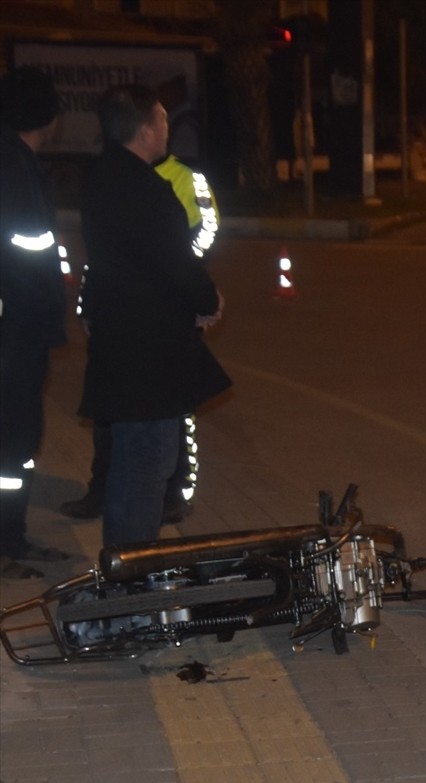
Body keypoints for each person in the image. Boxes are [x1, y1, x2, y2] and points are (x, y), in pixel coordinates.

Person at [78, 84, 230, 548]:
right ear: (145, 130)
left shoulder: (101, 177)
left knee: (133, 461)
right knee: (147, 464)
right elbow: (174, 260)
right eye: (162, 119)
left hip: (120, 340)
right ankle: (130, 573)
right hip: (148, 353)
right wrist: (207, 301)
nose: (168, 127)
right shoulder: (145, 187)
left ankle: (124, 566)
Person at [61, 151, 221, 524]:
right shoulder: (116, 175)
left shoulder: (185, 177)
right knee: (111, 414)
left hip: (170, 304)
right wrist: (87, 303)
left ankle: (175, 495)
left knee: (174, 414)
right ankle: (101, 490)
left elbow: (208, 228)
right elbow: (100, 252)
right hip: (129, 313)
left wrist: (174, 271)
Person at [0, 66, 71, 579]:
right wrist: (49, 319)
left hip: (16, 330)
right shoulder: (15, 167)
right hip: (14, 334)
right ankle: (6, 543)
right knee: (14, 442)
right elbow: (30, 256)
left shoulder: (14, 159)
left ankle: (11, 538)